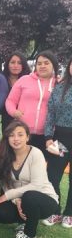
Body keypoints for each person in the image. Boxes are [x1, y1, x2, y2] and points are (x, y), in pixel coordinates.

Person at [0, 121, 58, 238]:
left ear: (27, 137)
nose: (16, 139)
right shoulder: (5, 155)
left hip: (44, 199)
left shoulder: (36, 154)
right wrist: (16, 200)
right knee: (1, 212)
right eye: (11, 135)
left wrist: (7, 195)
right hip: (23, 199)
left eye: (20, 134)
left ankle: (29, 235)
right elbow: (6, 183)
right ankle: (24, 223)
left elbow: (36, 185)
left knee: (30, 195)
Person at [5, 50, 58, 155]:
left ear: (54, 65)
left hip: (48, 135)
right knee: (20, 161)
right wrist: (14, 112)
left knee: (47, 164)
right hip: (23, 131)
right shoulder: (24, 80)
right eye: (39, 63)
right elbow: (10, 100)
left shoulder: (59, 84)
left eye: (46, 63)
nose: (42, 66)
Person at [42, 57, 72, 227]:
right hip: (61, 139)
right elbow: (50, 115)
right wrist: (48, 138)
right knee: (53, 175)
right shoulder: (59, 88)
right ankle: (55, 211)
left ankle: (70, 213)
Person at [1, 52, 31, 132]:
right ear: (8, 64)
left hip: (25, 119)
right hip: (6, 118)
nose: (15, 66)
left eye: (19, 63)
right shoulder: (1, 79)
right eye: (13, 62)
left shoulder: (30, 80)